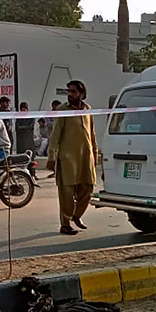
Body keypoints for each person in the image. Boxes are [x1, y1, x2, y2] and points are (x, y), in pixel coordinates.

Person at [49, 81, 97, 236]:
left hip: (85, 158)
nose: (70, 94)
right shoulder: (63, 110)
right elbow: (55, 135)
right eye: (69, 91)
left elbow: (92, 134)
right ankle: (65, 224)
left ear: (82, 94)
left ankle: (76, 216)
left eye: (74, 92)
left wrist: (95, 155)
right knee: (66, 194)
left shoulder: (88, 109)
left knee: (88, 189)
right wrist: (52, 156)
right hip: (67, 159)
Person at [15, 102, 37, 179]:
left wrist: (23, 128)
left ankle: (33, 174)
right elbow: (17, 128)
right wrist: (25, 128)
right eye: (22, 109)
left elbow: (30, 127)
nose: (23, 111)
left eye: (24, 109)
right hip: (21, 141)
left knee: (31, 158)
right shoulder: (18, 118)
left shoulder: (31, 117)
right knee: (21, 157)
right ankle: (21, 174)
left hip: (29, 140)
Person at [41, 99, 62, 178]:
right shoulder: (49, 115)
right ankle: (54, 171)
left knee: (58, 155)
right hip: (51, 137)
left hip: (59, 138)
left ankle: (56, 172)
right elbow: (49, 124)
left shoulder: (60, 114)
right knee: (52, 155)